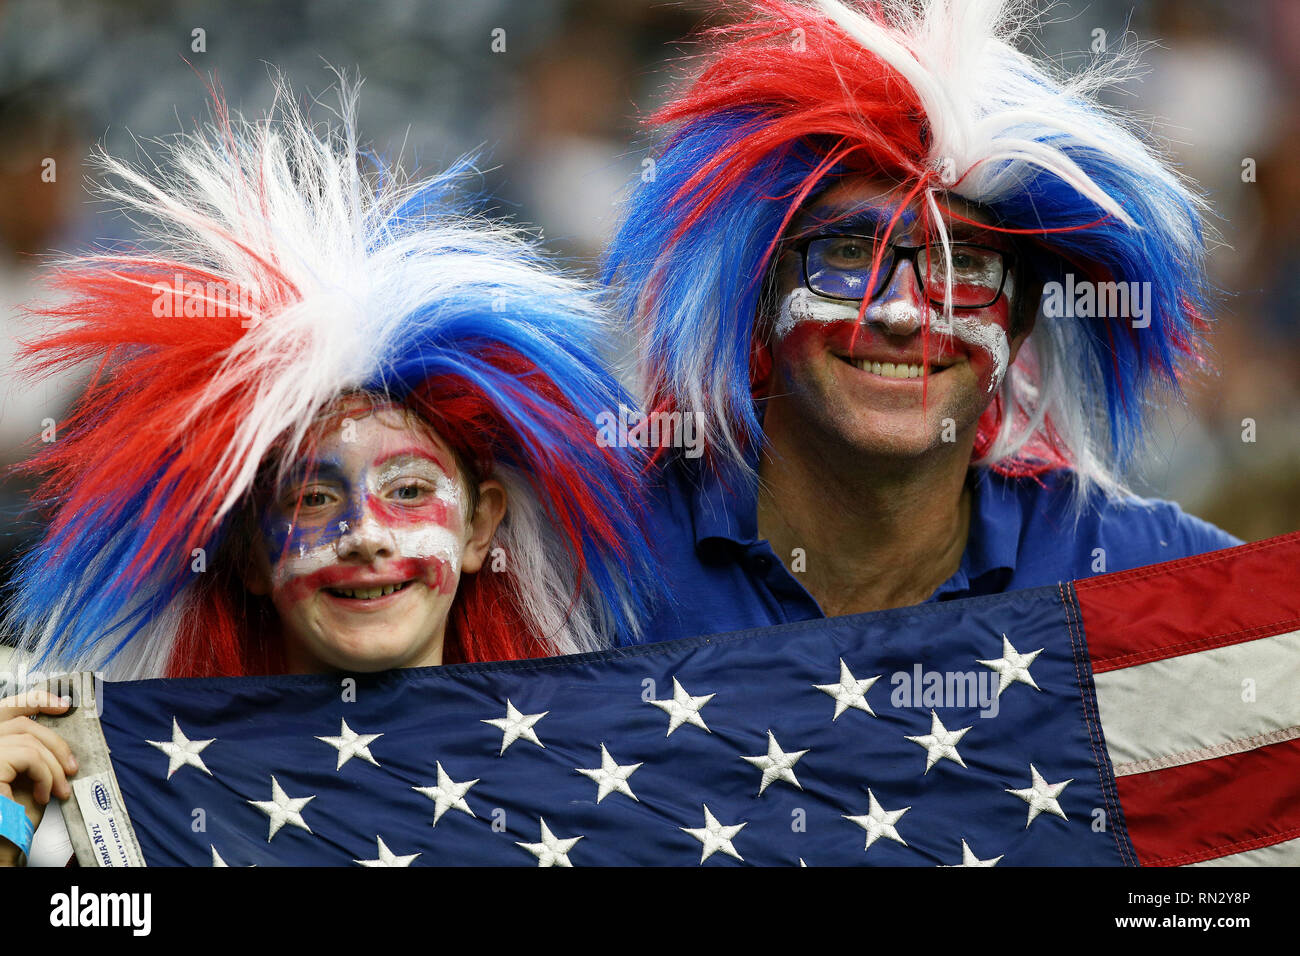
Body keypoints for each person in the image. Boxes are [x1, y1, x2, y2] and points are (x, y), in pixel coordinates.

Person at [0, 79, 656, 865]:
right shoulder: (115, 809)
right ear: (245, 553)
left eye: (410, 490)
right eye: (313, 497)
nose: (365, 536)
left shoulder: (592, 788)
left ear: (482, 525)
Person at [603, 0, 1242, 643]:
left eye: (962, 262)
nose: (904, 311)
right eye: (849, 252)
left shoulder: (1151, 580)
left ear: (1019, 321)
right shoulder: (593, 557)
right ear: (759, 297)